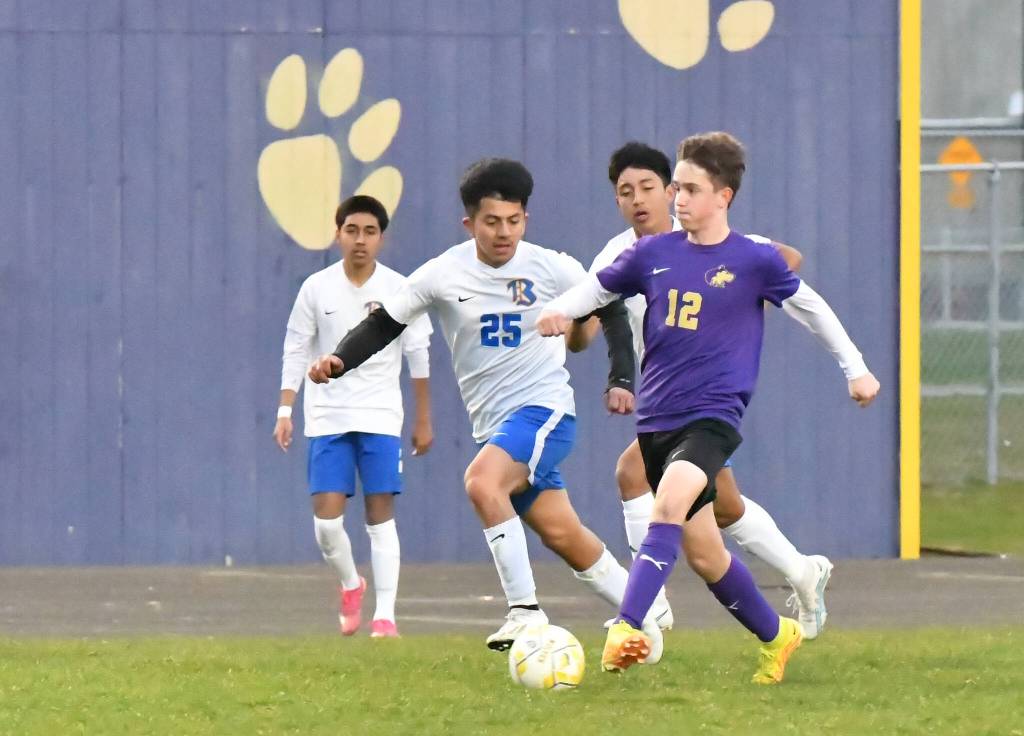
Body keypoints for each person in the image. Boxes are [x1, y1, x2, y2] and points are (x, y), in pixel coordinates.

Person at [538, 132, 880, 684]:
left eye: (688, 188)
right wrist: (557, 312)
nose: (677, 198)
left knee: (667, 503)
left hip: (712, 416)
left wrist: (855, 369)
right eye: (676, 186)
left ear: (723, 196)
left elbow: (811, 307)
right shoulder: (650, 253)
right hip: (657, 418)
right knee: (706, 556)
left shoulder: (751, 258)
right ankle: (778, 634)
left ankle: (632, 624)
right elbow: (595, 291)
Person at [307, 158, 664, 659]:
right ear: (469, 223)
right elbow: (386, 323)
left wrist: (621, 378)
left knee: (482, 481)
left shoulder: (549, 265)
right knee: (564, 535)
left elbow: (608, 306)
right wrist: (339, 360)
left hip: (545, 412)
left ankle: (525, 611)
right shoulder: (442, 272)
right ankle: (646, 619)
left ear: (525, 220)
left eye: (514, 221)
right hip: (494, 426)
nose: (504, 232)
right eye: (492, 221)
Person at [275, 195, 434, 639]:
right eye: (352, 231)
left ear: (382, 237)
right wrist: (285, 408)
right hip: (327, 417)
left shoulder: (400, 291)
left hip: (381, 416)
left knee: (380, 514)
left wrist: (423, 418)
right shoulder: (316, 288)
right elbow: (295, 348)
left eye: (369, 232)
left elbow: (418, 354)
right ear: (338, 233)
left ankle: (385, 615)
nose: (360, 240)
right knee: (327, 524)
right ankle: (351, 584)